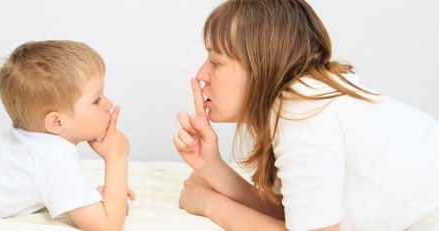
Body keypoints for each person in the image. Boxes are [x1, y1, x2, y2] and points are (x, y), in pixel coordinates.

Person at [173, 0, 439, 230]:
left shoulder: (301, 111)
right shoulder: (307, 97)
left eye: (216, 62)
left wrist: (211, 204)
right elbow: (299, 218)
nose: (201, 75)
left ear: (261, 65)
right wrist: (211, 167)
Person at [0, 40, 134, 231]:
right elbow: (108, 226)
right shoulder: (53, 161)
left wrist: (104, 197)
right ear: (56, 122)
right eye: (96, 100)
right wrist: (116, 157)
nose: (109, 104)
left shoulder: (30, 142)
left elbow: (49, 186)